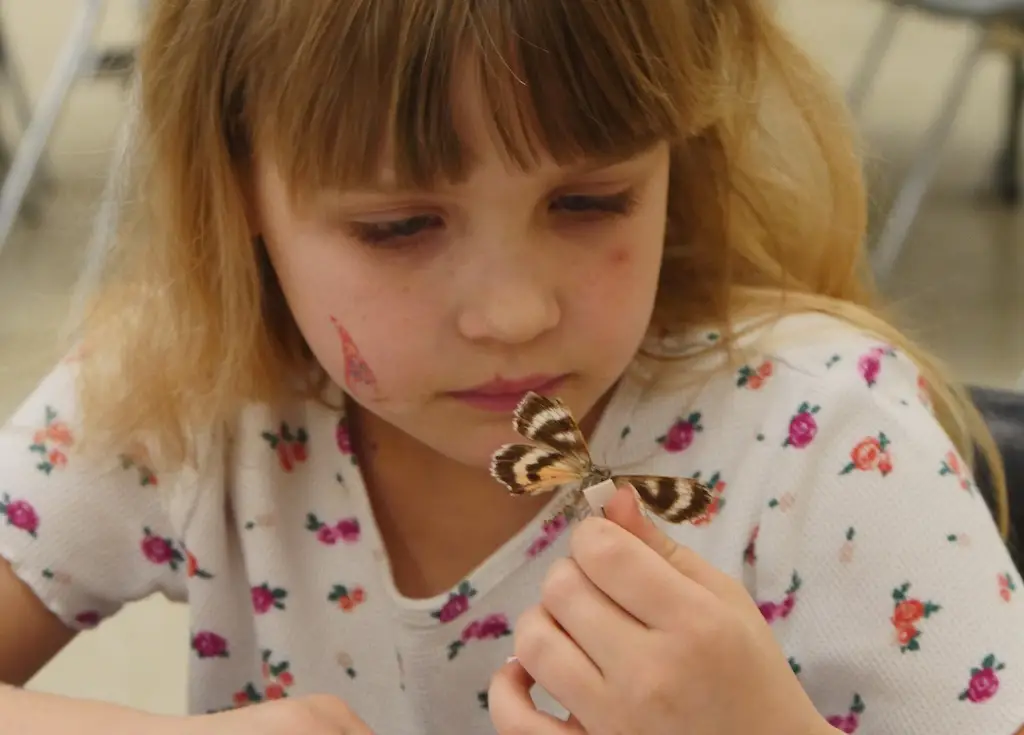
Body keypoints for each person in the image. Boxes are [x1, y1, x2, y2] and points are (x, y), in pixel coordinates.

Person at [1, 1, 1022, 733]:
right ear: (237, 200)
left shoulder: (834, 445)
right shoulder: (180, 395)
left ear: (682, 156)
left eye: (589, 203)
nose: (514, 313)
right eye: (398, 226)